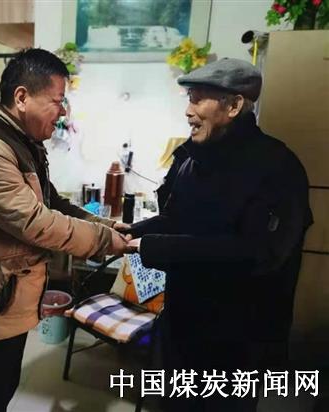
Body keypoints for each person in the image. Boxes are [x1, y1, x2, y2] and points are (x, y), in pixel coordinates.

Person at [0, 48, 132, 412]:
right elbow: (35, 222)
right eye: (57, 101)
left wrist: (105, 225)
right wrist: (105, 240)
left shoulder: (20, 142)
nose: (62, 112)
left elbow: (51, 201)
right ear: (21, 97)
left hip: (7, 299)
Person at [128, 58, 313, 411]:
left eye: (198, 98)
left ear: (234, 105)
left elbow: (257, 253)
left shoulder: (277, 167)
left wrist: (153, 246)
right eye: (189, 98)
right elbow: (173, 217)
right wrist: (132, 232)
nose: (188, 111)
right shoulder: (189, 158)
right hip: (182, 322)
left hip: (237, 339)